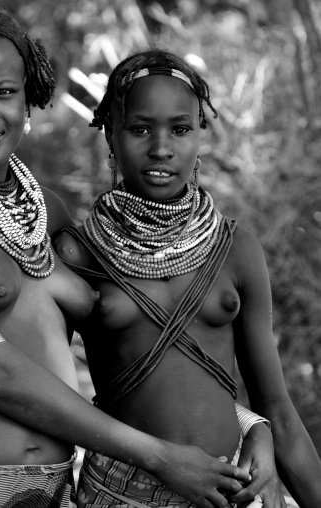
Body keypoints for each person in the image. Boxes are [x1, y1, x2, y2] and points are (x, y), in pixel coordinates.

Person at [0, 4, 279, 508]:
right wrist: (160, 456)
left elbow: (139, 354)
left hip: (55, 491)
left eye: (5, 92)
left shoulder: (47, 213)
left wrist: (250, 423)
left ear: (29, 101)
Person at [48, 49, 321, 508]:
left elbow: (278, 409)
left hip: (230, 489)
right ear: (110, 135)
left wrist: (257, 429)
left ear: (200, 135)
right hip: (119, 492)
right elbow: (45, 392)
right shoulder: (78, 252)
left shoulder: (235, 249)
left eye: (180, 129)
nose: (161, 148)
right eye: (139, 129)